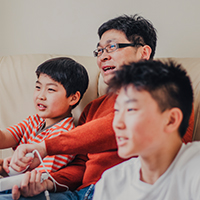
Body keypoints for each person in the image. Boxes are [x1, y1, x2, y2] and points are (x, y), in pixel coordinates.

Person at [0, 15, 194, 200]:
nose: (102, 57)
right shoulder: (93, 108)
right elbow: (81, 166)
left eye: (111, 47)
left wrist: (46, 147)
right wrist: (48, 183)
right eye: (99, 51)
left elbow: (115, 128)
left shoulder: (169, 93)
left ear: (143, 52)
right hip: (80, 193)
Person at [93, 60, 198, 200]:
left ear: (171, 120)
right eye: (117, 110)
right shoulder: (111, 181)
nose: (117, 124)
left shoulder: (195, 168)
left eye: (131, 109)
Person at [0, 57, 89, 176]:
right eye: (38, 87)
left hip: (32, 188)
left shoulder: (65, 136)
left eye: (50, 89)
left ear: (73, 98)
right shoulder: (34, 121)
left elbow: (39, 176)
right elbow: (4, 138)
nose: (41, 96)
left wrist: (8, 172)